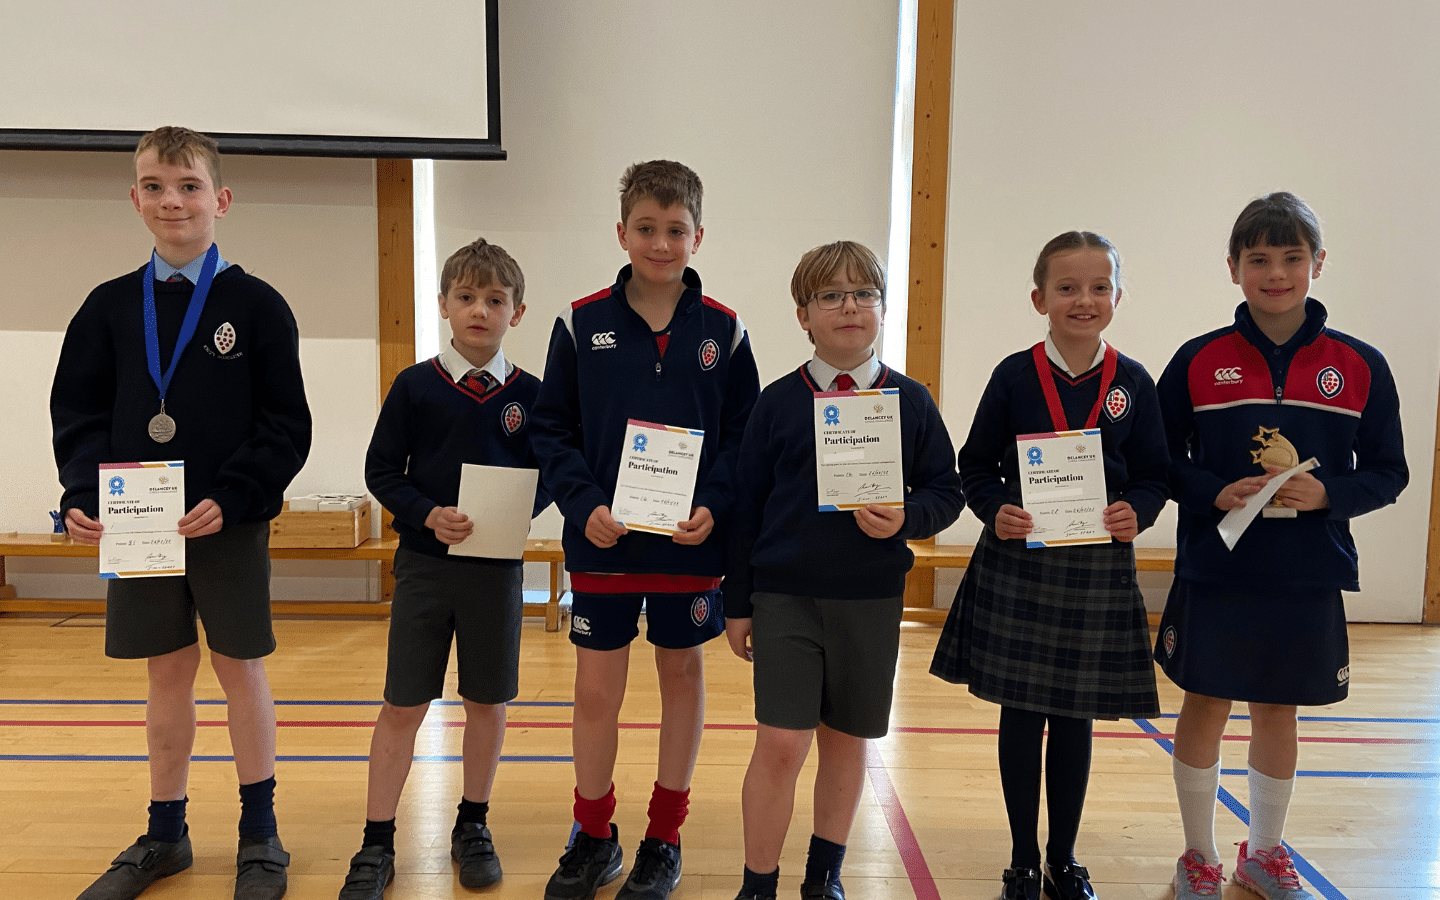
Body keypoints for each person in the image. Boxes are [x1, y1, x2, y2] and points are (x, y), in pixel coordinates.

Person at [50, 126, 311, 900]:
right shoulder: (107, 307)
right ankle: (165, 833)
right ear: (134, 198)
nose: (173, 201)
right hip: (138, 525)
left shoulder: (258, 306)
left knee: (240, 670)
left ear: (220, 199)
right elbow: (79, 416)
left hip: (227, 523)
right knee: (166, 674)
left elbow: (285, 426)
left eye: (189, 186)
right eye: (156, 187)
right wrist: (80, 494)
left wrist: (233, 495)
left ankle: (260, 833)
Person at [1155, 193, 1407, 900]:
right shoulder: (1197, 360)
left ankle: (1263, 853)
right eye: (1259, 259)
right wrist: (1214, 491)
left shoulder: (1360, 365)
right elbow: (1160, 461)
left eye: (1292, 258)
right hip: (1217, 565)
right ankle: (1198, 856)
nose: (1275, 273)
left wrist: (1329, 496)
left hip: (1307, 570)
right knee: (1205, 704)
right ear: (1233, 267)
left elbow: (1389, 471)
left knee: (1278, 711)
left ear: (1317, 263)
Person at [531, 160, 761, 900]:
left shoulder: (725, 329)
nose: (661, 244)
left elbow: (744, 437)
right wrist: (582, 504)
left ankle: (665, 836)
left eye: (676, 230)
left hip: (689, 544)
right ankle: (593, 834)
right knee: (596, 691)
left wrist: (715, 504)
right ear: (621, 232)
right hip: (604, 541)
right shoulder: (579, 322)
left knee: (680, 677)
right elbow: (551, 429)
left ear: (699, 236)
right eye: (646, 228)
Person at [929, 232, 1168, 900]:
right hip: (1021, 559)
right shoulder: (1013, 375)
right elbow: (975, 464)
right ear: (1040, 299)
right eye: (1067, 288)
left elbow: (1155, 476)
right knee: (1020, 713)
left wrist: (1138, 511)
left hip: (1096, 567)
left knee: (1074, 717)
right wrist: (994, 508)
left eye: (1098, 287)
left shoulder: (1133, 382)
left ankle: (1064, 859)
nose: (1083, 300)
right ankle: (1022, 859)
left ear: (1117, 297)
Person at [725, 240, 964, 900]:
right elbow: (745, 509)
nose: (850, 307)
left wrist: (907, 517)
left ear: (883, 308)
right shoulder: (777, 403)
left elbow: (946, 492)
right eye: (831, 296)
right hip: (785, 598)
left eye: (864, 294)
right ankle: (757, 885)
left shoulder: (910, 400)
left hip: (869, 599)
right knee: (781, 743)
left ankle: (823, 876)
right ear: (804, 315)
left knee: (845, 741)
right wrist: (737, 602)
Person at [337, 238, 550, 899]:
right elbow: (381, 472)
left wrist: (516, 511)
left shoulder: (533, 395)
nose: (480, 310)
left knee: (487, 702)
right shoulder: (415, 385)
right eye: (466, 297)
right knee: (403, 703)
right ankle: (377, 840)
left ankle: (473, 823)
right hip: (425, 569)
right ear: (443, 305)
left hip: (495, 572)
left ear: (517, 312)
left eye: (495, 299)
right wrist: (427, 513)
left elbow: (551, 474)